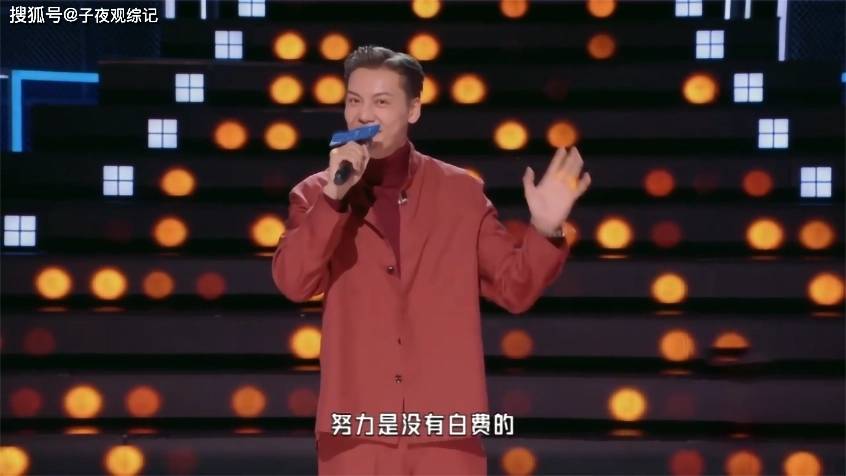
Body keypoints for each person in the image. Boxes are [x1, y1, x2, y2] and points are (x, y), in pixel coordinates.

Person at [271, 45, 591, 475]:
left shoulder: (460, 193)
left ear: (414, 109)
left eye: (381, 102)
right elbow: (293, 282)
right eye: (354, 100)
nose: (363, 115)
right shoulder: (315, 194)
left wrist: (546, 228)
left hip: (445, 431)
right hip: (356, 431)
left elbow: (514, 288)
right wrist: (335, 196)